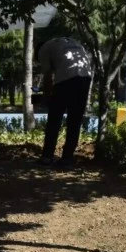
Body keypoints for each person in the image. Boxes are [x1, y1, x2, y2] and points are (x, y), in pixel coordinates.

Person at [36, 36, 93, 167]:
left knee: (54, 119)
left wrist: (46, 97)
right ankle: (67, 158)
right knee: (75, 119)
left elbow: (48, 76)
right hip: (85, 77)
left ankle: (47, 157)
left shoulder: (43, 50)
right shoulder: (67, 42)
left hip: (66, 79)